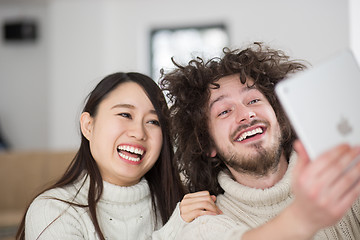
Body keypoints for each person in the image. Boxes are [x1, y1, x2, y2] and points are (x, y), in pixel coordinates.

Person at [160, 43, 360, 239]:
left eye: (253, 100)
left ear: (280, 118)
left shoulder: (346, 176)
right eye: (224, 111)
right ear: (207, 145)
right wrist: (304, 216)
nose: (246, 114)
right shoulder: (204, 227)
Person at [16, 72, 221, 240]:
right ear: (88, 126)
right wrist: (173, 232)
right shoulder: (52, 211)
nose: (139, 133)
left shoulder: (182, 206)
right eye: (125, 115)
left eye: (153, 121)